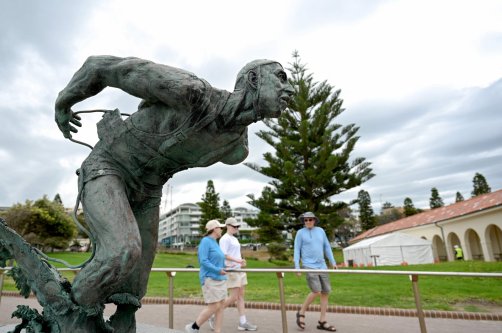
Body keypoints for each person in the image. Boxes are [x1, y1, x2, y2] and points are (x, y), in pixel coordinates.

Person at [54, 56, 293, 331]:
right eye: (281, 78)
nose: (289, 90)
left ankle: (121, 322)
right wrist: (64, 101)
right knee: (122, 252)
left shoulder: (236, 149)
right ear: (253, 80)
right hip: (109, 167)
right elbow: (100, 67)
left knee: (137, 279)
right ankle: (66, 318)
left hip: (150, 189)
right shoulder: (191, 93)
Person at [209, 217, 257, 331]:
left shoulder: (234, 239)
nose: (236, 228)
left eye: (237, 226)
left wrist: (242, 260)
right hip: (231, 270)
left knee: (240, 296)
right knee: (233, 296)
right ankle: (213, 314)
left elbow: (235, 253)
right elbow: (224, 255)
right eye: (234, 226)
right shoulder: (224, 239)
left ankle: (243, 322)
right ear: (228, 226)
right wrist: (237, 261)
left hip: (239, 269)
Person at [294, 212, 337, 332]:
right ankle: (301, 312)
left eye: (310, 219)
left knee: (325, 292)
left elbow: (327, 247)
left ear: (314, 220)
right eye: (305, 220)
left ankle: (322, 321)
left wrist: (333, 262)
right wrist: (297, 267)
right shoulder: (300, 233)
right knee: (316, 291)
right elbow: (297, 250)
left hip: (322, 265)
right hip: (309, 266)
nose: (308, 222)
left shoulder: (321, 231)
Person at [185, 220, 227, 333]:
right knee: (214, 306)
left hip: (221, 279)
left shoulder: (215, 242)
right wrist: (218, 270)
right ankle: (193, 327)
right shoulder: (205, 241)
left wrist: (227, 267)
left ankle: (217, 331)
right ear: (214, 229)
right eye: (220, 228)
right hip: (210, 278)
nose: (222, 230)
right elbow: (203, 261)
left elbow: (219, 259)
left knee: (221, 306)